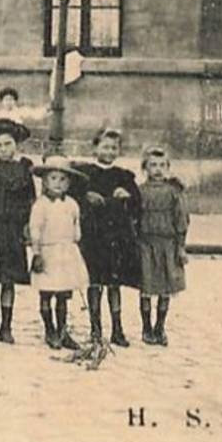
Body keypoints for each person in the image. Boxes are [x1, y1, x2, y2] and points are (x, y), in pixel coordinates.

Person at [75, 127, 142, 347]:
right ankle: (95, 328)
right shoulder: (85, 174)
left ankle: (117, 328)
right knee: (94, 282)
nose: (110, 151)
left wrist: (128, 196)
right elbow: (73, 199)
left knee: (114, 284)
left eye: (114, 147)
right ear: (95, 148)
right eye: (105, 146)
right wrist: (86, 196)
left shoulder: (124, 176)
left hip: (116, 236)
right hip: (93, 236)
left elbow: (137, 206)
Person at [0, 119, 36, 343]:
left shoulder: (23, 170)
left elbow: (31, 200)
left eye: (7, 144)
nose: (3, 149)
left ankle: (6, 326)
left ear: (16, 144)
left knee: (8, 279)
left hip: (13, 230)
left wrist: (28, 226)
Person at [29, 154, 89, 350]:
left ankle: (63, 332)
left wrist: (73, 244)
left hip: (66, 254)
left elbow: (76, 229)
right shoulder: (41, 205)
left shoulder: (71, 204)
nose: (58, 183)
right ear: (45, 181)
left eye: (63, 179)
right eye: (53, 178)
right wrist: (37, 253)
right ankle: (50, 330)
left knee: (63, 294)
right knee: (46, 294)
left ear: (69, 183)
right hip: (48, 253)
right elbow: (35, 230)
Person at [136, 146, 189, 346]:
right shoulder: (140, 191)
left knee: (166, 287)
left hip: (167, 244)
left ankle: (160, 327)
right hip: (146, 245)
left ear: (167, 167)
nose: (157, 169)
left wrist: (181, 246)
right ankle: (146, 328)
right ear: (145, 168)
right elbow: (134, 218)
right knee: (147, 287)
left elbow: (181, 219)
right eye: (152, 165)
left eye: (161, 165)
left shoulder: (173, 192)